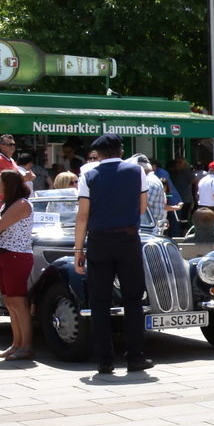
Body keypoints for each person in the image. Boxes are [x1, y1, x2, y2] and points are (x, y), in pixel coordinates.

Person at [74, 133, 152, 376]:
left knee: (99, 302)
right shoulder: (137, 171)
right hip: (128, 239)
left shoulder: (88, 175)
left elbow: (83, 216)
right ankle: (135, 357)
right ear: (121, 151)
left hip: (99, 241)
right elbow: (142, 208)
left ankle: (104, 361)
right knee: (133, 299)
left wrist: (78, 249)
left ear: (97, 154)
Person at [0, 170, 35, 360]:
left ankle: (26, 346)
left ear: (8, 183)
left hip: (17, 256)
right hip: (4, 255)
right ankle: (16, 344)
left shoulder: (21, 204)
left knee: (18, 301)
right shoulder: (7, 204)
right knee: (9, 301)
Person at [134, 155, 169, 235]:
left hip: (149, 227)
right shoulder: (151, 180)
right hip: (150, 225)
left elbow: (146, 204)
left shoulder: (149, 182)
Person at [0, 134, 23, 205]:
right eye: (9, 144)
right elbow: (5, 182)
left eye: (13, 144)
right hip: (4, 201)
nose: (12, 147)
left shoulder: (12, 161)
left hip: (12, 200)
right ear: (1, 146)